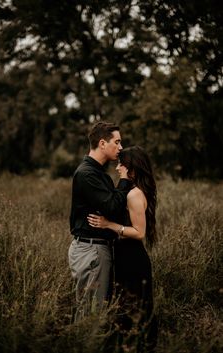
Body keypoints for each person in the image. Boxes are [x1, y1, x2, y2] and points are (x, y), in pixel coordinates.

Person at [87, 145, 158, 353]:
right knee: (124, 311)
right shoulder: (130, 190)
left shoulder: (134, 195)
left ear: (132, 169)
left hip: (133, 261)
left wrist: (108, 224)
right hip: (125, 258)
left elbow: (139, 232)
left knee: (136, 312)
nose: (117, 167)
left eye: (122, 164)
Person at [68, 121, 132, 321]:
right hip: (92, 251)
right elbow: (112, 207)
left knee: (93, 312)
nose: (121, 147)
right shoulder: (87, 174)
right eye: (117, 142)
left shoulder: (98, 173)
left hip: (95, 250)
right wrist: (125, 180)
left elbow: (113, 209)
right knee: (91, 317)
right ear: (102, 143)